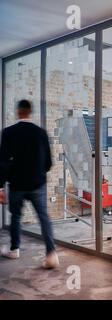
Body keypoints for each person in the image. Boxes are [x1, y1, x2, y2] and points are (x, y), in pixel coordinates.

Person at [0, 99, 59, 268]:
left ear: (18, 112)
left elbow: (2, 163)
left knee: (16, 217)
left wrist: (0, 187)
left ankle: (14, 249)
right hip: (37, 185)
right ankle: (51, 254)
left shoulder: (8, 132)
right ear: (30, 112)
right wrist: (38, 174)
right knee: (44, 217)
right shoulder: (41, 133)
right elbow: (48, 163)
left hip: (17, 185)